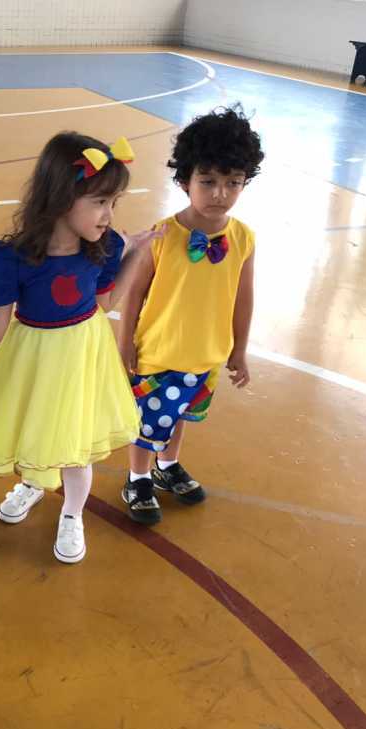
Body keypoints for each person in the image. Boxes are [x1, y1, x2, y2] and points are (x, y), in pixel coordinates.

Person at [0, 132, 162, 563]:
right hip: (32, 356)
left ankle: (72, 512)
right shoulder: (10, 257)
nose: (108, 215)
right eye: (100, 201)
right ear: (62, 196)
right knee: (36, 424)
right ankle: (33, 483)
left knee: (73, 437)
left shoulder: (104, 248)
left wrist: (135, 256)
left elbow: (106, 302)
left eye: (114, 203)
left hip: (81, 355)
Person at [118, 107, 263, 525]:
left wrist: (239, 349)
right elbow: (134, 293)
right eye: (208, 181)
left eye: (233, 183)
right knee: (147, 421)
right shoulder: (163, 234)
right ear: (185, 180)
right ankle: (137, 477)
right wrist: (125, 343)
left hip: (206, 354)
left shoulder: (243, 238)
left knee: (179, 414)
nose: (220, 193)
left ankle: (167, 466)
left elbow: (243, 298)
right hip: (159, 352)